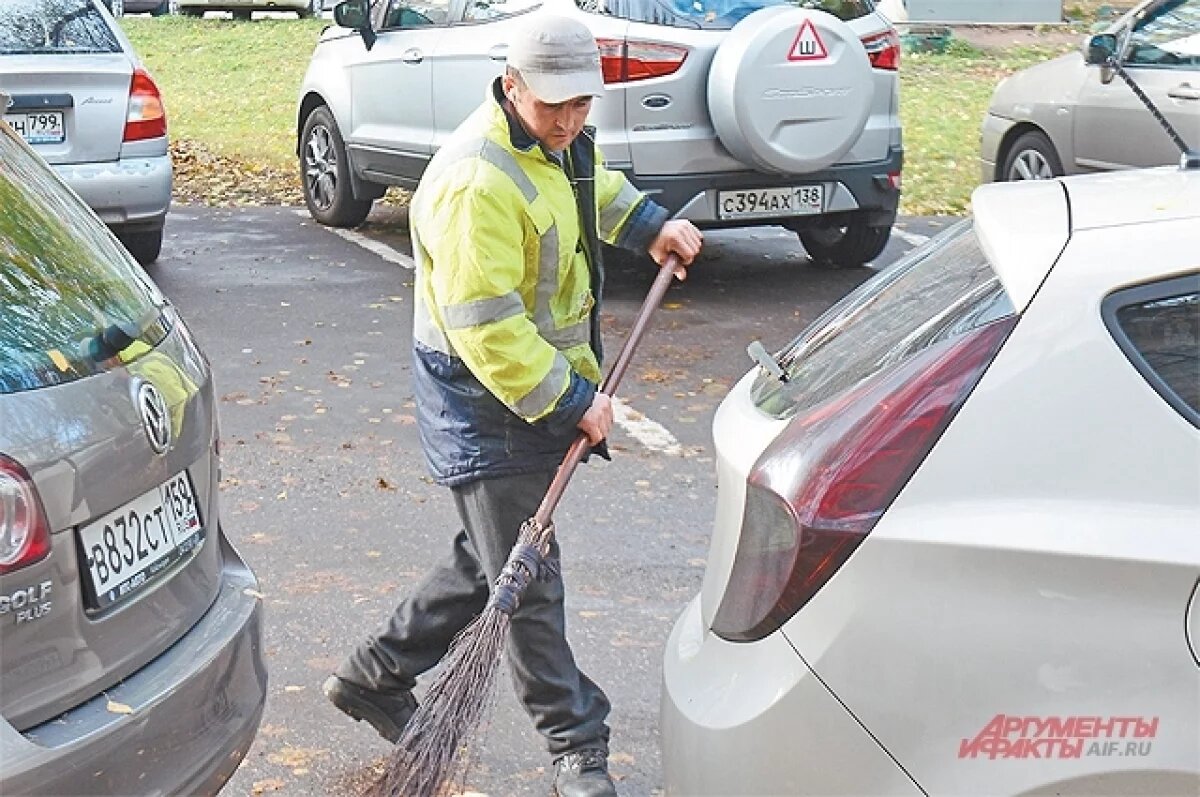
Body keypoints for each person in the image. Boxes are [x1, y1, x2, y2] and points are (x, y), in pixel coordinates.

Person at [322, 12, 703, 797]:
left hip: (529, 386)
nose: (568, 121)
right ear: (510, 87)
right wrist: (573, 403)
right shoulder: (476, 181)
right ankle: (576, 745)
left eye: (581, 105)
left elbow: (591, 195)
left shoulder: (559, 143)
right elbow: (489, 332)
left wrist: (655, 228)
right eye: (552, 106)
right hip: (482, 397)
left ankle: (373, 674)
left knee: (491, 556)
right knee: (527, 579)